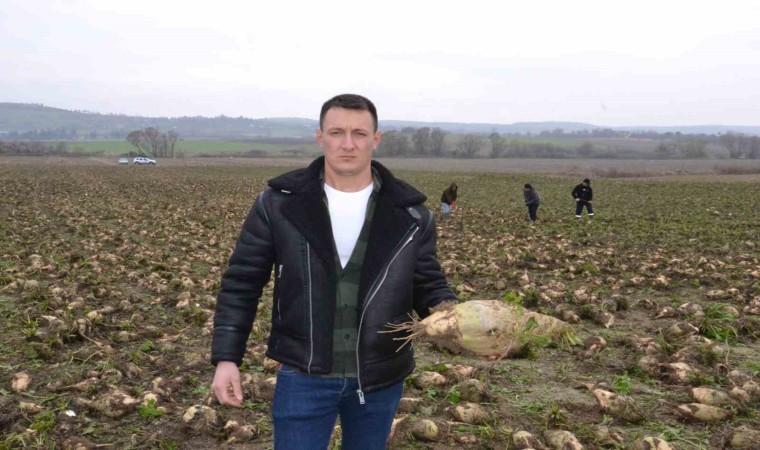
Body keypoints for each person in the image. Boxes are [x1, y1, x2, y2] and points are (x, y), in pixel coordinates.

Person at [211, 94, 457, 450]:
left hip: (380, 377)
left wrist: (467, 325)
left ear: (376, 139)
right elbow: (241, 283)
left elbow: (428, 284)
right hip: (303, 374)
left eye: (359, 133)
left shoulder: (411, 215)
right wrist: (226, 358)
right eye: (337, 132)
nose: (348, 144)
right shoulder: (278, 204)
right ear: (320, 137)